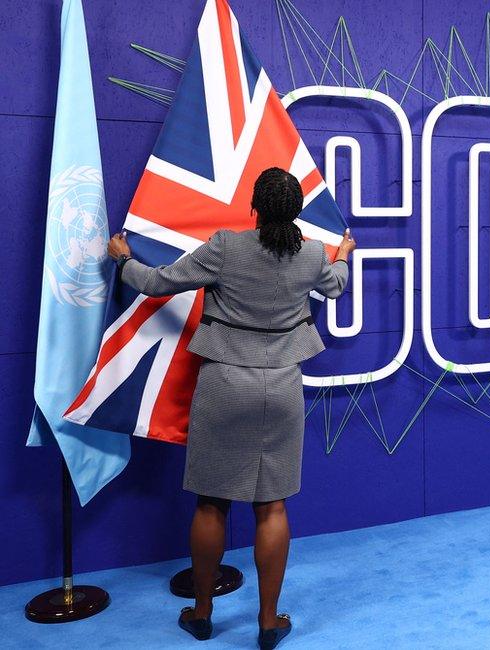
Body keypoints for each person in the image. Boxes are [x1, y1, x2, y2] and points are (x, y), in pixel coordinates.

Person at [107, 167, 355, 649]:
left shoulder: (226, 245)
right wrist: (342, 255)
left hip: (223, 385)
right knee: (273, 505)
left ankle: (201, 615)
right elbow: (336, 285)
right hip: (281, 386)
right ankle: (268, 622)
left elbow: (159, 283)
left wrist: (123, 261)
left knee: (211, 501)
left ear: (254, 209)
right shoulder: (310, 254)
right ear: (298, 211)